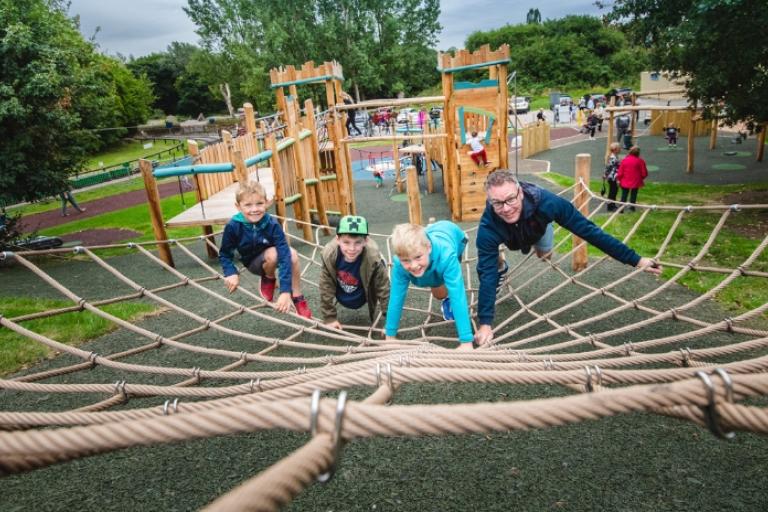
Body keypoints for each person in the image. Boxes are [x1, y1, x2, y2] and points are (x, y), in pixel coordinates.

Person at [474, 170, 661, 346]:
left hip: (537, 227)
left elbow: (589, 232)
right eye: (497, 203)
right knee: (491, 263)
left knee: (544, 255)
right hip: (508, 237)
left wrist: (636, 260)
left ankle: (545, 229)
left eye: (510, 199)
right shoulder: (488, 226)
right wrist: (485, 323)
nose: (506, 208)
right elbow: (486, 274)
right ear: (490, 201)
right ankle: (502, 267)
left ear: (520, 193)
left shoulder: (548, 203)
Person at [219, 181, 312, 318]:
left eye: (259, 203)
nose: (254, 209)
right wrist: (230, 272)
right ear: (238, 207)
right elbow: (225, 254)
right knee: (275, 254)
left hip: (273, 257)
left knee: (292, 254)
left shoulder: (272, 224)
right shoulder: (234, 226)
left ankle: (297, 296)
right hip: (253, 263)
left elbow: (284, 255)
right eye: (248, 205)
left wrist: (285, 291)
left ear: (267, 203)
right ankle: (268, 277)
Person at [385, 221, 474, 351]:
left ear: (429, 247)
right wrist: (390, 336)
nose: (413, 265)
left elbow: (458, 295)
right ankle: (429, 229)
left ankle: (446, 298)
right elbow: (396, 297)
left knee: (445, 289)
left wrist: (466, 342)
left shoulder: (447, 256)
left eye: (418, 257)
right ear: (399, 257)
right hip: (430, 242)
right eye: (406, 260)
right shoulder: (399, 265)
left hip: (454, 234)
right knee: (438, 293)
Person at [319, 215, 390, 330]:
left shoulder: (372, 258)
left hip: (364, 294)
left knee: (381, 272)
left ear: (365, 241)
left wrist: (390, 323)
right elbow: (325, 286)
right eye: (346, 242)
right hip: (341, 293)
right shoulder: (329, 254)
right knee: (326, 283)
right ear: (337, 240)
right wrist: (329, 318)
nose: (352, 249)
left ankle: (383, 264)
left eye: (357, 243)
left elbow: (384, 288)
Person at [616, 146, 649, 213]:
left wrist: (619, 179)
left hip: (625, 180)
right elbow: (644, 173)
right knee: (634, 194)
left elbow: (620, 172)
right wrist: (640, 178)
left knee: (624, 194)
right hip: (636, 181)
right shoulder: (640, 161)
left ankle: (621, 208)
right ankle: (632, 207)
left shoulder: (624, 160)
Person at [602, 142, 622, 212]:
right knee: (612, 192)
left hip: (614, 177)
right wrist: (605, 174)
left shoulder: (615, 156)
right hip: (612, 177)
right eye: (619, 148)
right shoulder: (613, 158)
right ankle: (610, 206)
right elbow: (608, 167)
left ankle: (612, 204)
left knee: (614, 191)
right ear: (615, 149)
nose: (620, 149)